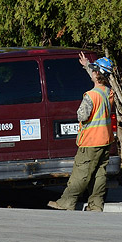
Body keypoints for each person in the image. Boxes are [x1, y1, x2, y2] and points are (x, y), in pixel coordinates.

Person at [48, 54, 115, 212]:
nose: (92, 72)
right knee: (99, 174)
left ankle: (67, 202)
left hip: (91, 141)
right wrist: (87, 65)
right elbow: (98, 77)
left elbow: (82, 115)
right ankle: (96, 205)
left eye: (94, 71)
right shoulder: (108, 92)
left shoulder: (91, 96)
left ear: (97, 73)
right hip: (105, 140)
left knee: (81, 172)